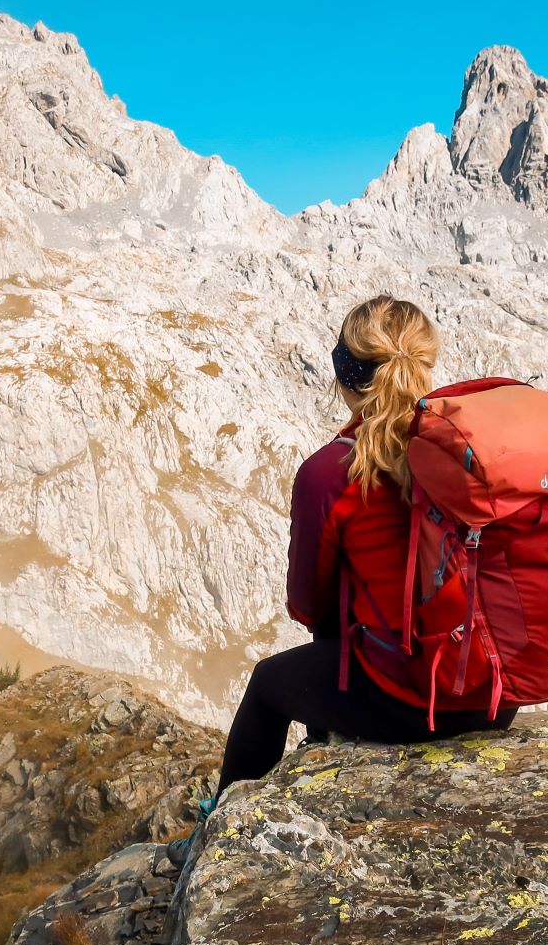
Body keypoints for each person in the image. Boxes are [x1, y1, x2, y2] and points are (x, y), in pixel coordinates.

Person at [214, 295, 517, 796]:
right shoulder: (467, 451)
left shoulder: (330, 474)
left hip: (416, 701)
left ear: (344, 373)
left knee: (268, 686)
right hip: (496, 693)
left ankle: (216, 828)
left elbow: (308, 604)